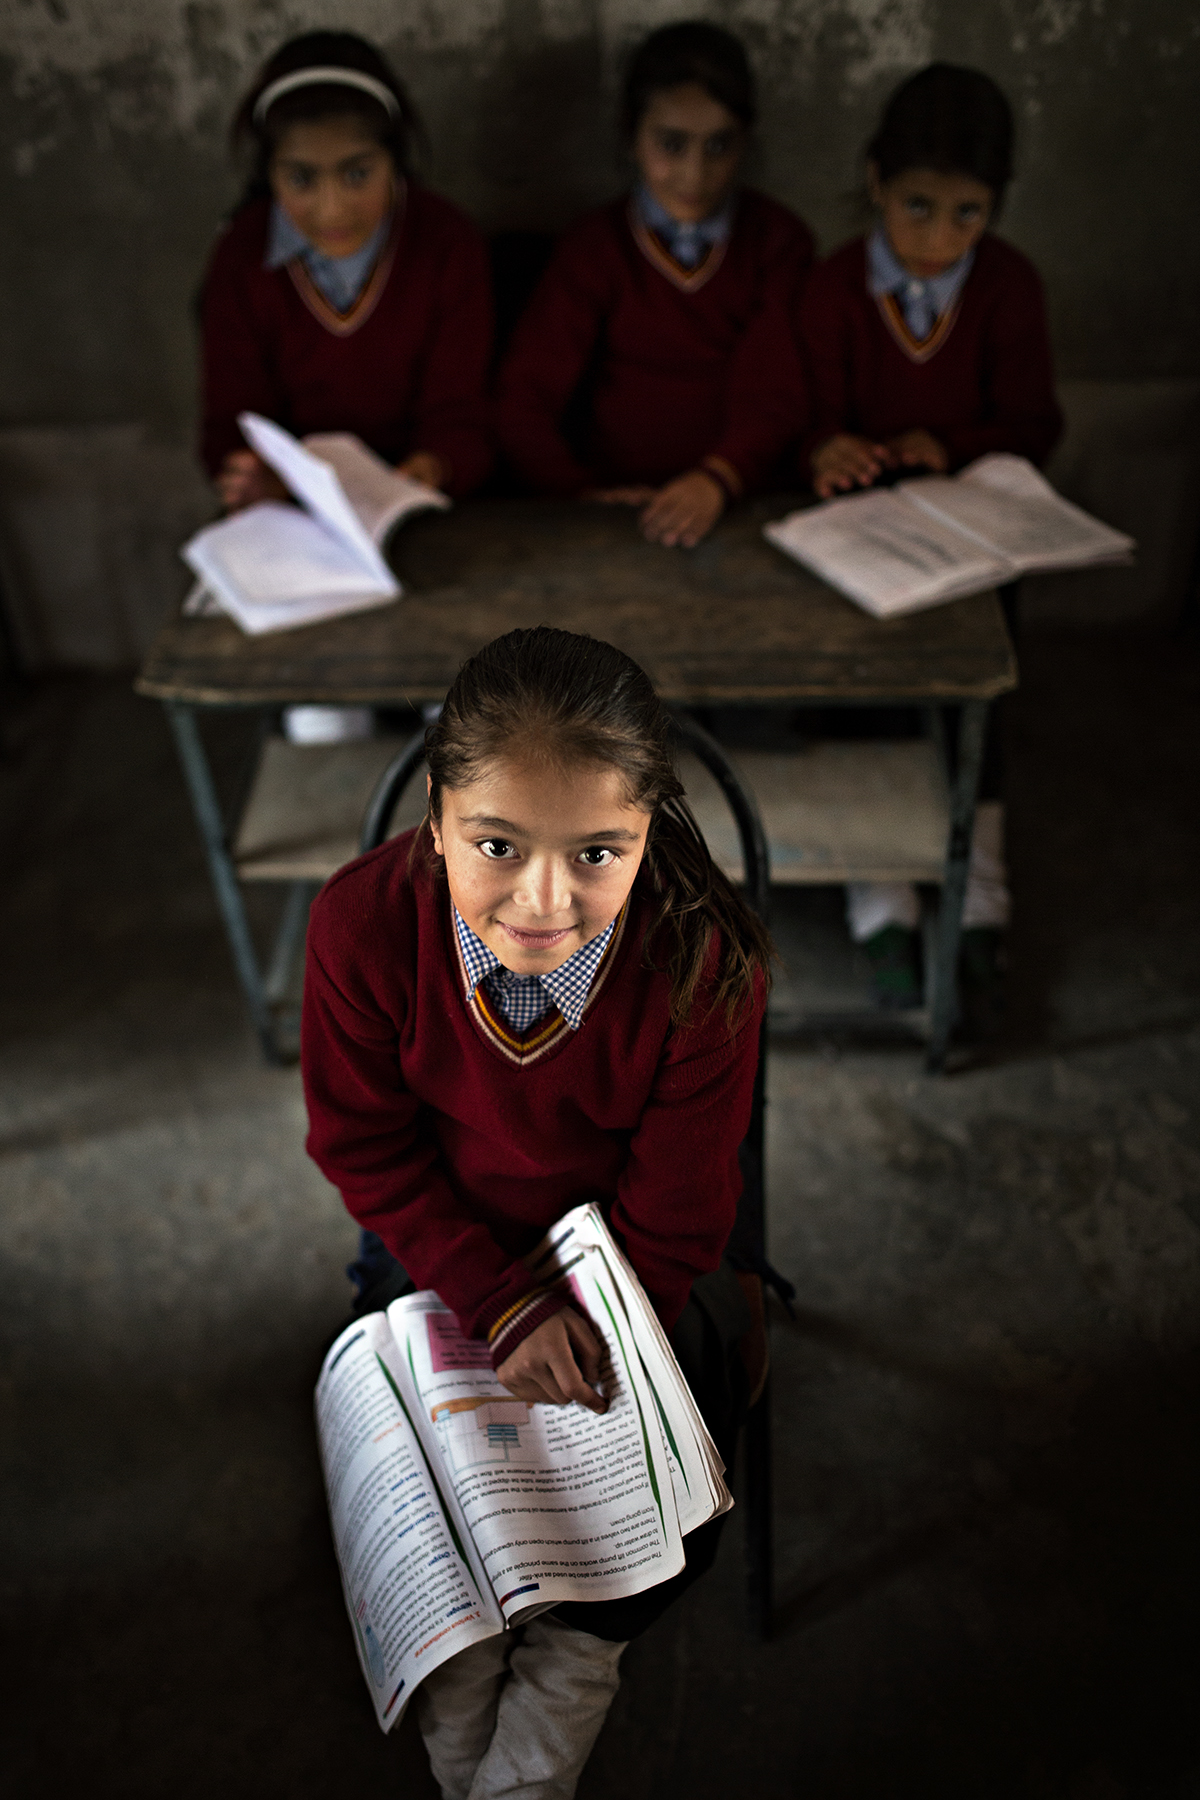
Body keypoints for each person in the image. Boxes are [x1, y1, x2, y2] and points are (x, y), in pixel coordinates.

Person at [301, 626, 771, 1798]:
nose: (544, 901)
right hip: (440, 1237)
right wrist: (502, 1302)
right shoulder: (362, 929)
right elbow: (365, 1147)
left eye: (600, 851)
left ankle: (565, 1679)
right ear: (435, 816)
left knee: (677, 1490)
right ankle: (463, 1698)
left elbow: (674, 1215)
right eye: (496, 844)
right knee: (413, 1469)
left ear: (650, 829)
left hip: (628, 1262)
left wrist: (590, 1328)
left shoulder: (699, 959)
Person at [793, 63, 1062, 1013]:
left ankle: (980, 891)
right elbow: (808, 420)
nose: (938, 237)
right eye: (917, 206)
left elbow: (1035, 423)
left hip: (974, 541)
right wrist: (829, 448)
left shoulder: (1008, 287)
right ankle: (881, 900)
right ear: (874, 182)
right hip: (862, 545)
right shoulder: (831, 290)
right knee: (862, 706)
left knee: (974, 714)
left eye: (967, 215)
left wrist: (950, 444)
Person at [496, 21, 813, 550]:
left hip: (744, 504)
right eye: (671, 144)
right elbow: (523, 400)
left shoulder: (777, 243)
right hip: (616, 514)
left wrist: (718, 477)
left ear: (745, 142)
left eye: (719, 146)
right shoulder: (593, 248)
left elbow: (777, 393)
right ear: (630, 137)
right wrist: (581, 494)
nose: (694, 174)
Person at [200, 30, 493, 512]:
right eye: (301, 179)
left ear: (394, 163)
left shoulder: (446, 242)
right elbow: (231, 422)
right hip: (297, 509)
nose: (332, 210)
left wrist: (434, 466)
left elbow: (462, 413)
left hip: (423, 503)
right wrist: (254, 476)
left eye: (357, 174)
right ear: (268, 174)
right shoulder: (241, 255)